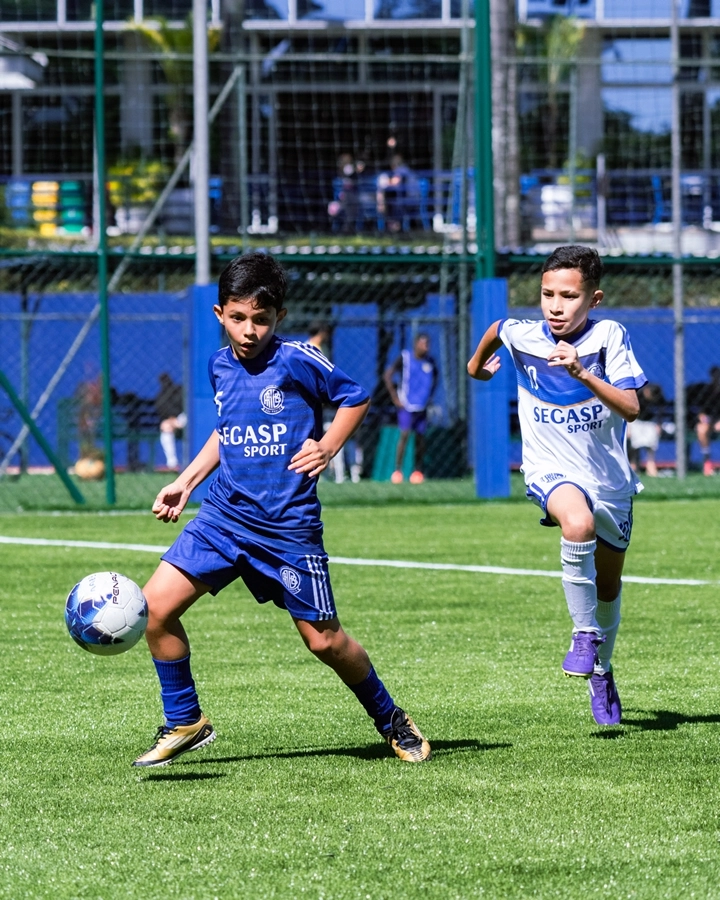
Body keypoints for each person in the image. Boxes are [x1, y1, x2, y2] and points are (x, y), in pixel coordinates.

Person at [133, 252, 430, 768]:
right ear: (220, 314)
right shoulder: (219, 364)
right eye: (239, 318)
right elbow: (228, 433)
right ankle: (185, 720)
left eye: (262, 320)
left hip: (286, 527)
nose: (250, 331)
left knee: (325, 642)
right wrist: (186, 481)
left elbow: (355, 397)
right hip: (224, 517)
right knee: (153, 609)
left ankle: (391, 719)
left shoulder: (298, 357)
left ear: (280, 318)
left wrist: (329, 444)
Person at [467, 245, 647, 727]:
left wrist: (581, 372)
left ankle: (601, 670)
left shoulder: (609, 336)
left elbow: (631, 407)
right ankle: (583, 635)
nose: (555, 304)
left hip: (609, 479)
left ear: (594, 298)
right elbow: (495, 331)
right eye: (547, 293)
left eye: (569, 295)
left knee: (608, 584)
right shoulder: (524, 335)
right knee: (577, 521)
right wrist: (475, 367)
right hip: (549, 470)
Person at [384, 332, 438, 484]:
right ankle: (398, 471)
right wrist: (395, 398)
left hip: (422, 405)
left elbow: (436, 378)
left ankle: (418, 471)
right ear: (415, 344)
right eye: (423, 343)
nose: (426, 347)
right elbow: (388, 375)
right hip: (406, 405)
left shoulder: (430, 362)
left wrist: (430, 397)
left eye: (428, 344)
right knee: (405, 435)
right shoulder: (405, 358)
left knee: (420, 438)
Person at [626, 382, 666, 477]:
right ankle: (634, 465)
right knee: (634, 444)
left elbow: (661, 411)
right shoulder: (637, 394)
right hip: (635, 421)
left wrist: (659, 424)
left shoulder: (659, 397)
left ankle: (650, 465)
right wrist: (627, 425)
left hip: (650, 422)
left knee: (651, 443)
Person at [691, 365, 720, 476]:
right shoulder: (706, 391)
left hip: (718, 420)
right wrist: (702, 416)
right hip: (708, 420)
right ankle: (707, 461)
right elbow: (699, 409)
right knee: (701, 429)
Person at [155, 372, 186, 471]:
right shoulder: (161, 396)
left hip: (185, 418)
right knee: (166, 428)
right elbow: (162, 412)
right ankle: (172, 464)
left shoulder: (180, 391)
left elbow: (188, 408)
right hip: (172, 422)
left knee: (183, 418)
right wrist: (171, 420)